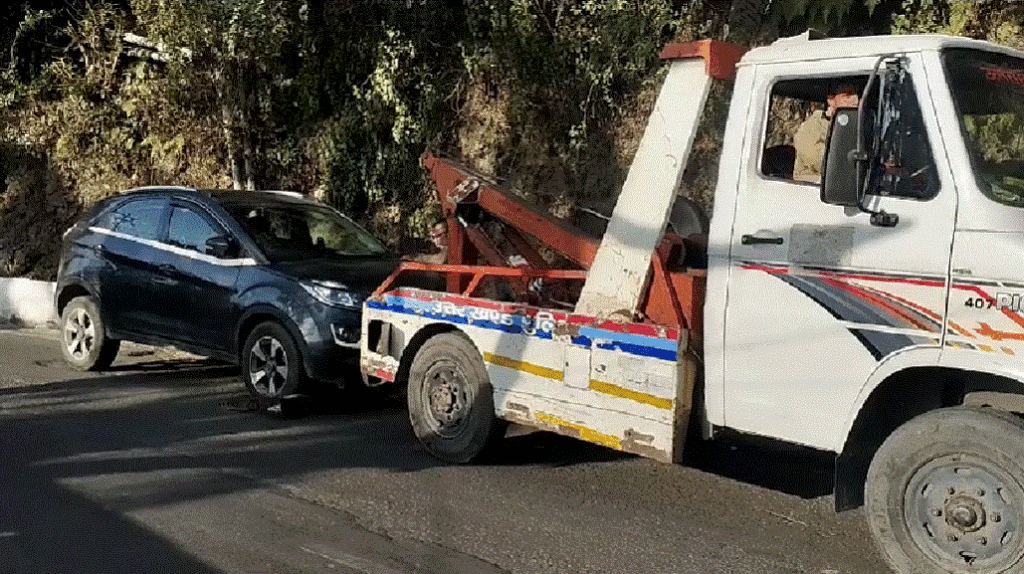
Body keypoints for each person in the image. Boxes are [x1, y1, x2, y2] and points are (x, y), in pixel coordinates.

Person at [793, 82, 860, 183]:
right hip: (813, 185)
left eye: (856, 95)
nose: (855, 100)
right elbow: (819, 161)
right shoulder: (813, 125)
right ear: (831, 100)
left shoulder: (855, 125)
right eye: (847, 96)